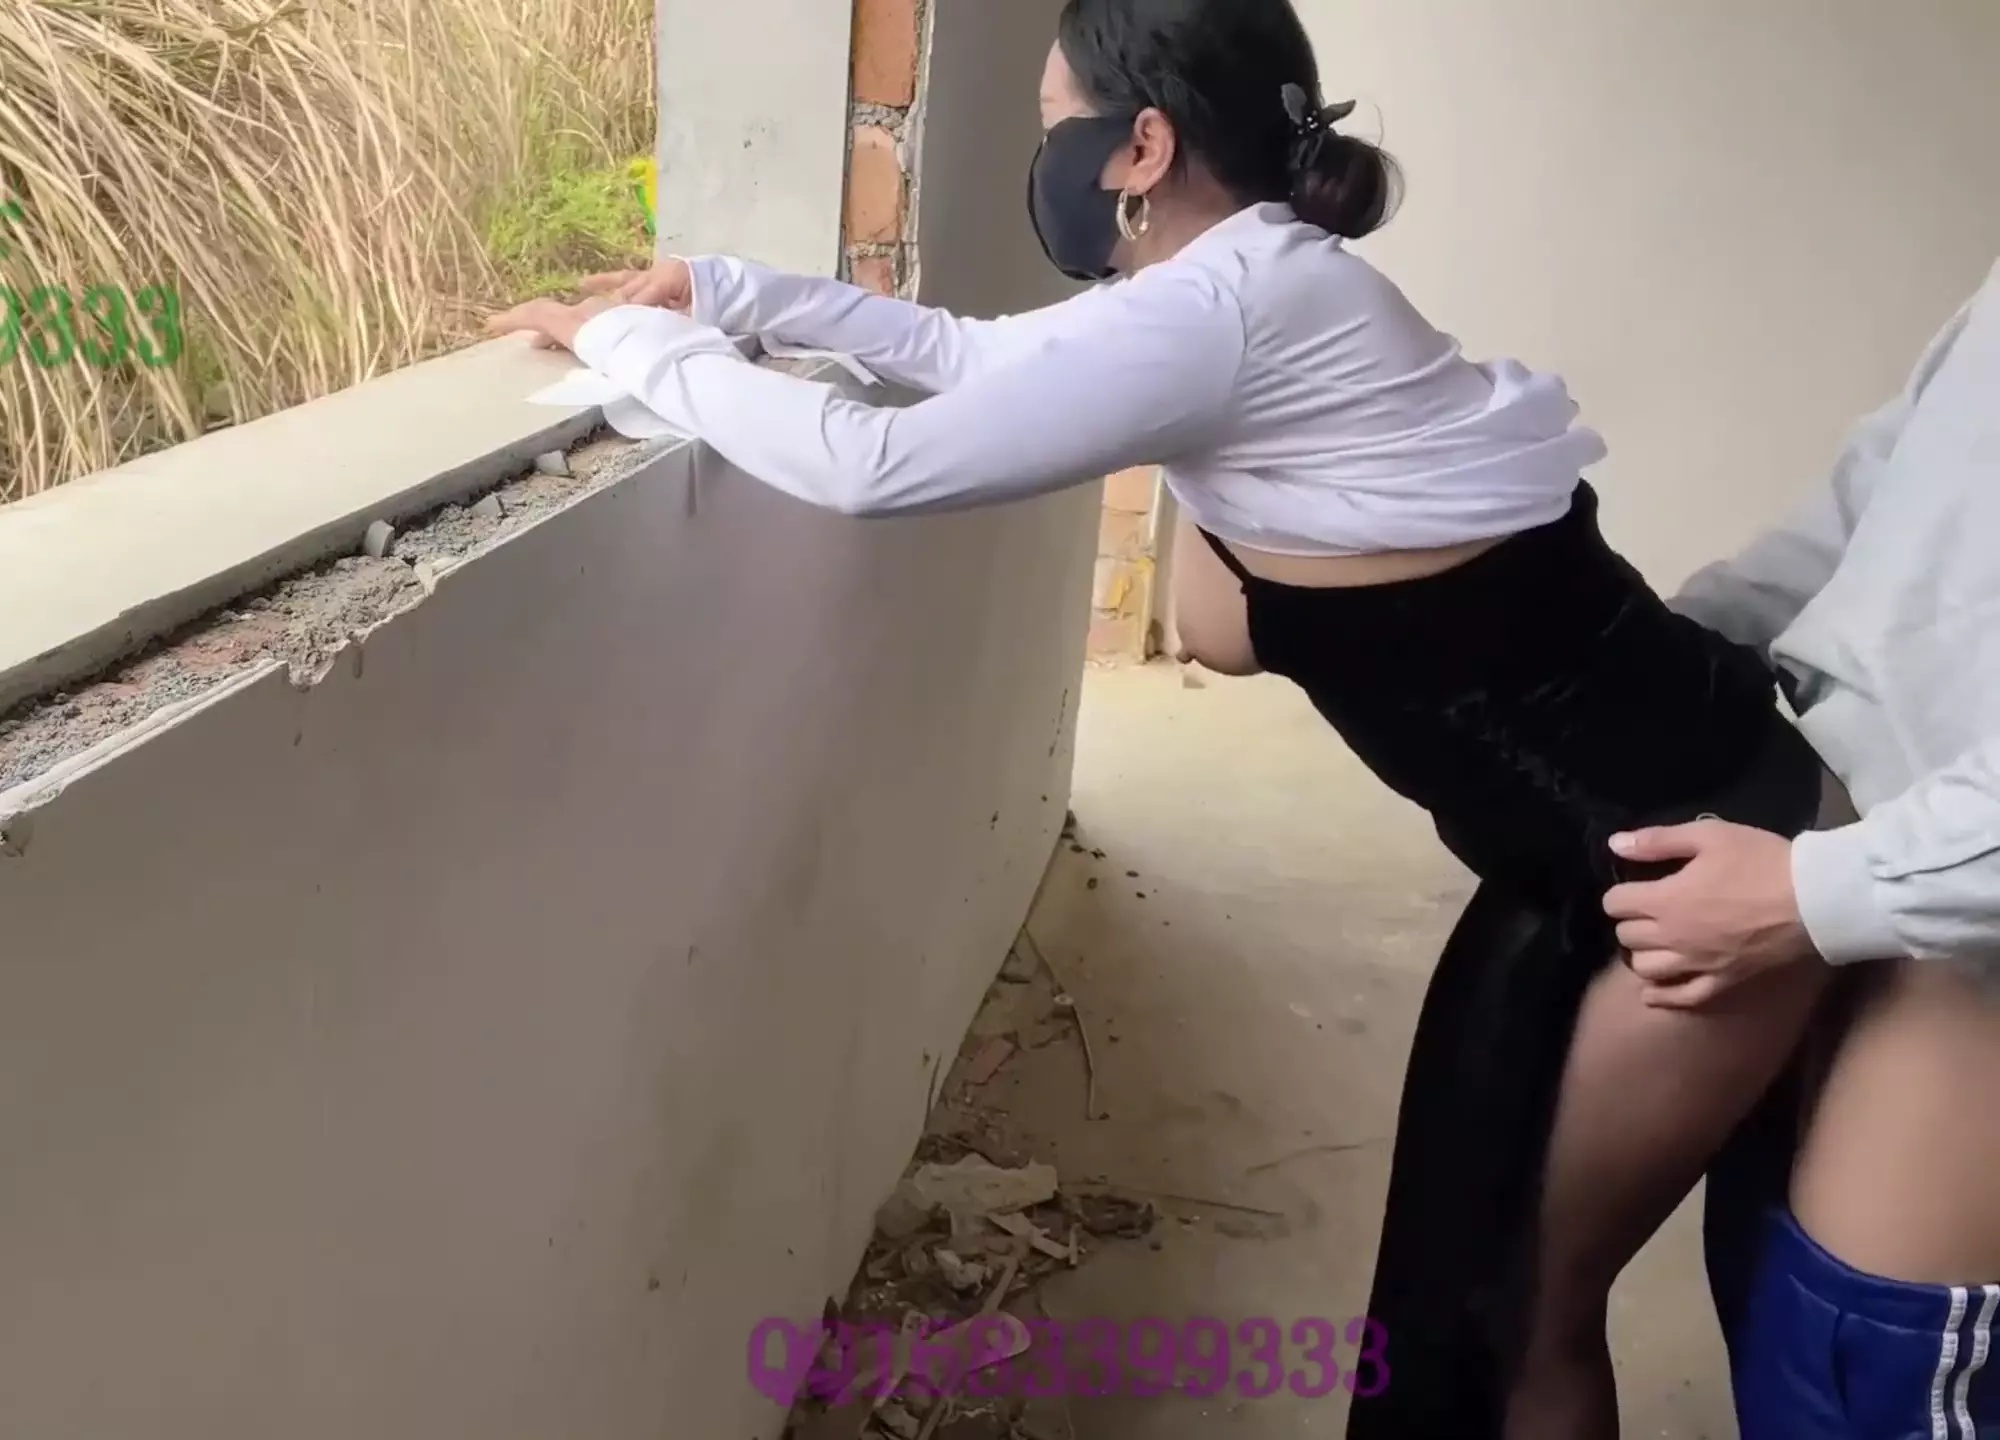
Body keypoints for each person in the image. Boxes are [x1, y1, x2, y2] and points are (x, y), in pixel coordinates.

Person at [487, 0, 1829, 1434]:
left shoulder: (1223, 315)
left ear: (1140, 145)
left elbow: (872, 465)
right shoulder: (1245, 283)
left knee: (1516, 1323)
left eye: (1054, 122)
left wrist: (632, 348)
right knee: (1457, 1303)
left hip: (1701, 863)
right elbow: (974, 354)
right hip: (1578, 858)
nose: (1044, 156)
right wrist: (722, 288)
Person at [1599, 262, 2000, 1437]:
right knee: (1777, 1331)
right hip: (1827, 903)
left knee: (1860, 1378)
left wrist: (1818, 892)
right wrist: (1668, 656)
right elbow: (1873, 499)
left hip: (1940, 990)